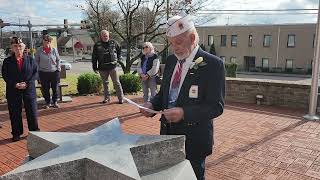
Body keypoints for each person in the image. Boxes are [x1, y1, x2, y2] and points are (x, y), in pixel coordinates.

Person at [139, 14, 225, 180]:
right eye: (172, 44)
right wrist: (151, 105)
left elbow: (216, 106)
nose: (175, 48)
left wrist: (184, 113)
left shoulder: (213, 65)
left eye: (178, 42)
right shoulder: (171, 61)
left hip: (194, 140)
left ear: (192, 38)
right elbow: (164, 93)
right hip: (167, 135)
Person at [2, 37, 40, 142]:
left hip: (29, 90)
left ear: (23, 47)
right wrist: (15, 84)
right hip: (13, 90)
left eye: (20, 46)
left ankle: (35, 131)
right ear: (12, 48)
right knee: (14, 113)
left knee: (32, 111)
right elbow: (5, 75)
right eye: (15, 46)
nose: (18, 48)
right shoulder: (7, 61)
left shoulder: (30, 60)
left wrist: (27, 83)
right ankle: (16, 133)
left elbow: (35, 73)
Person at [92, 30, 124, 104]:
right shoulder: (97, 45)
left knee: (116, 83)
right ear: (101, 36)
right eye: (104, 35)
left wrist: (118, 59)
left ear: (108, 36)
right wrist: (94, 67)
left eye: (106, 35)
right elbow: (94, 57)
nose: (105, 37)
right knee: (105, 83)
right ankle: (107, 98)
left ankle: (121, 98)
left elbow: (119, 50)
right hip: (102, 68)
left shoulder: (114, 42)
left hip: (113, 67)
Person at [35, 35, 61, 109]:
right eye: (45, 40)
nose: (46, 42)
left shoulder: (54, 50)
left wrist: (58, 68)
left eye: (48, 41)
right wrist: (38, 70)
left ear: (50, 42)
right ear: (43, 41)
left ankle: (55, 101)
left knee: (55, 88)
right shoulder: (39, 50)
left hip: (54, 72)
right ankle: (47, 102)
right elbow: (36, 61)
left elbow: (58, 59)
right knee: (45, 89)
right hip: (43, 73)